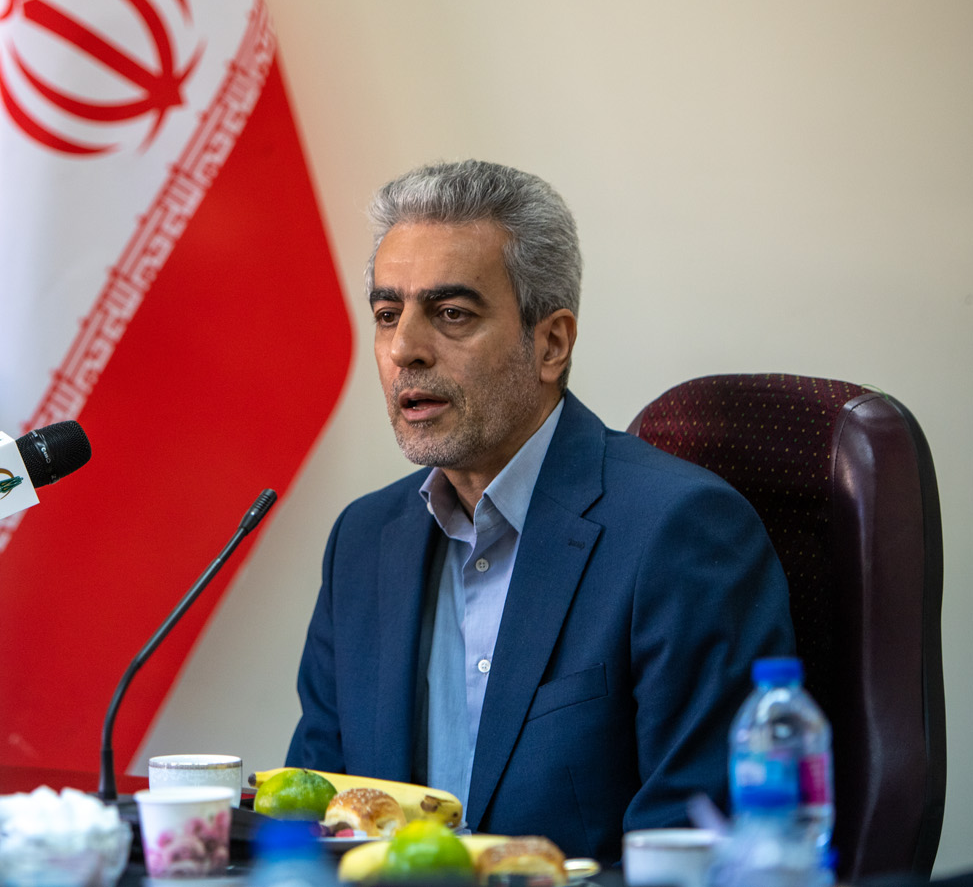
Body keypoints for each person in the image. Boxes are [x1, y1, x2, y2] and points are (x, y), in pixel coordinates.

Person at [287, 160, 794, 862]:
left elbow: (697, 851)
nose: (404, 350)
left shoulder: (679, 532)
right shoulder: (364, 541)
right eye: (386, 314)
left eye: (452, 314)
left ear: (550, 343)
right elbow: (314, 822)